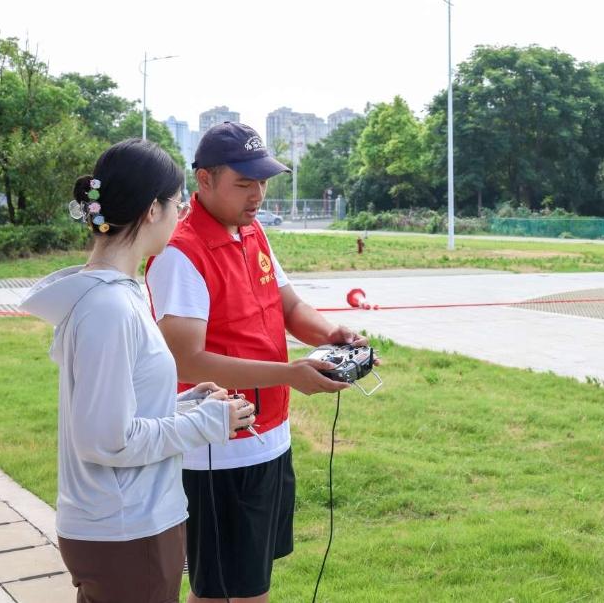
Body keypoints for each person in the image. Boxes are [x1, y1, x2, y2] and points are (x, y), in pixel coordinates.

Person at [20, 139, 256, 603]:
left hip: (122, 526)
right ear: (152, 210)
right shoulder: (108, 308)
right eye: (178, 205)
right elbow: (108, 439)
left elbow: (117, 409)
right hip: (127, 530)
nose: (181, 216)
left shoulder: (115, 296)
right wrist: (207, 422)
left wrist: (186, 404)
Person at [146, 121, 362, 603]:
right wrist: (289, 374)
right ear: (204, 180)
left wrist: (331, 333)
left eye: (262, 182)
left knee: (237, 582)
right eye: (244, 183)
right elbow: (187, 359)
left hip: (268, 437)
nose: (258, 195)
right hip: (218, 451)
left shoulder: (252, 231)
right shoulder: (181, 254)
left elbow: (288, 306)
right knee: (232, 591)